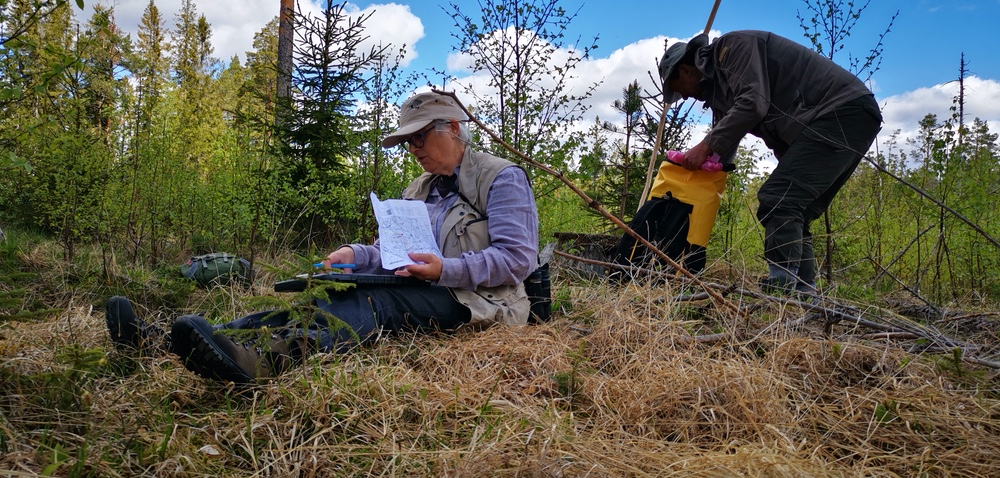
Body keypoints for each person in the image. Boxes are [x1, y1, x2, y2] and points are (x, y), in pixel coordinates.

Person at [106, 91, 539, 384]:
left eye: (419, 137)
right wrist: (355, 255)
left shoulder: (501, 177)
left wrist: (445, 269)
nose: (413, 149)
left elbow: (516, 259)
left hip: (483, 302)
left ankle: (270, 361)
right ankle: (173, 343)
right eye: (407, 141)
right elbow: (393, 251)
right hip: (429, 288)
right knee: (327, 294)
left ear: (454, 128)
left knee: (377, 301)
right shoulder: (419, 188)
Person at [658, 30, 882, 294]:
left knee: (778, 199)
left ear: (685, 71)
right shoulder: (717, 90)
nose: (683, 98)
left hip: (840, 111)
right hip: (841, 118)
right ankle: (802, 294)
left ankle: (781, 288)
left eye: (677, 90)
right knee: (796, 209)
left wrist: (704, 147)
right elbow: (724, 143)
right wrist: (701, 177)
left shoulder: (732, 48)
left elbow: (753, 104)